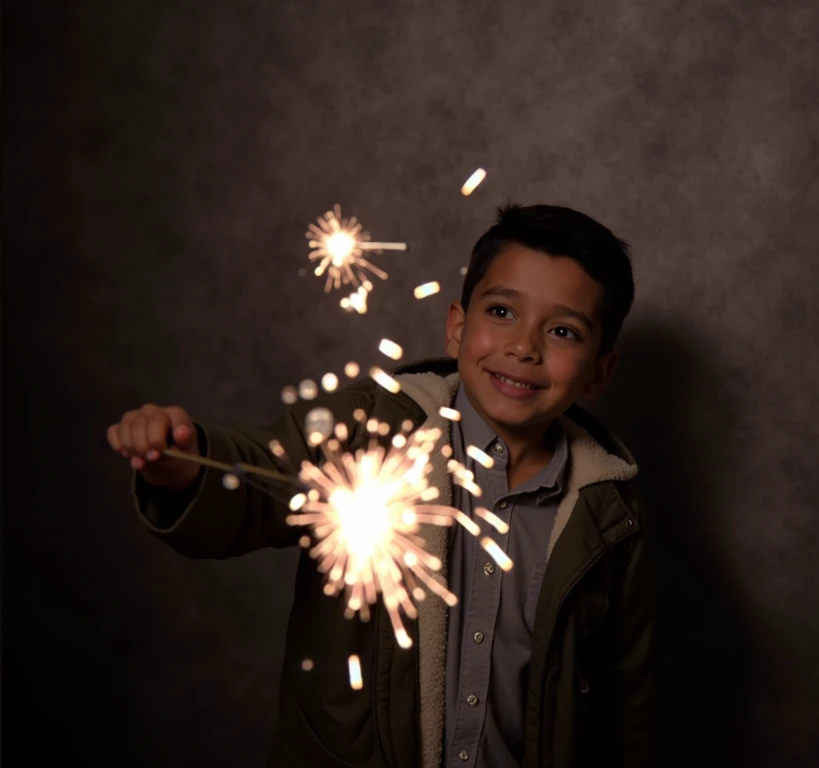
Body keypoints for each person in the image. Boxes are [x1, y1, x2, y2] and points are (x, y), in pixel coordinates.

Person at [107, 204, 656, 768]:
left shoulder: (609, 510)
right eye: (501, 311)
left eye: (562, 330)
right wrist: (188, 468)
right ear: (457, 327)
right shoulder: (370, 434)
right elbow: (255, 479)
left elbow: (628, 692)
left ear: (597, 373)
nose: (524, 346)